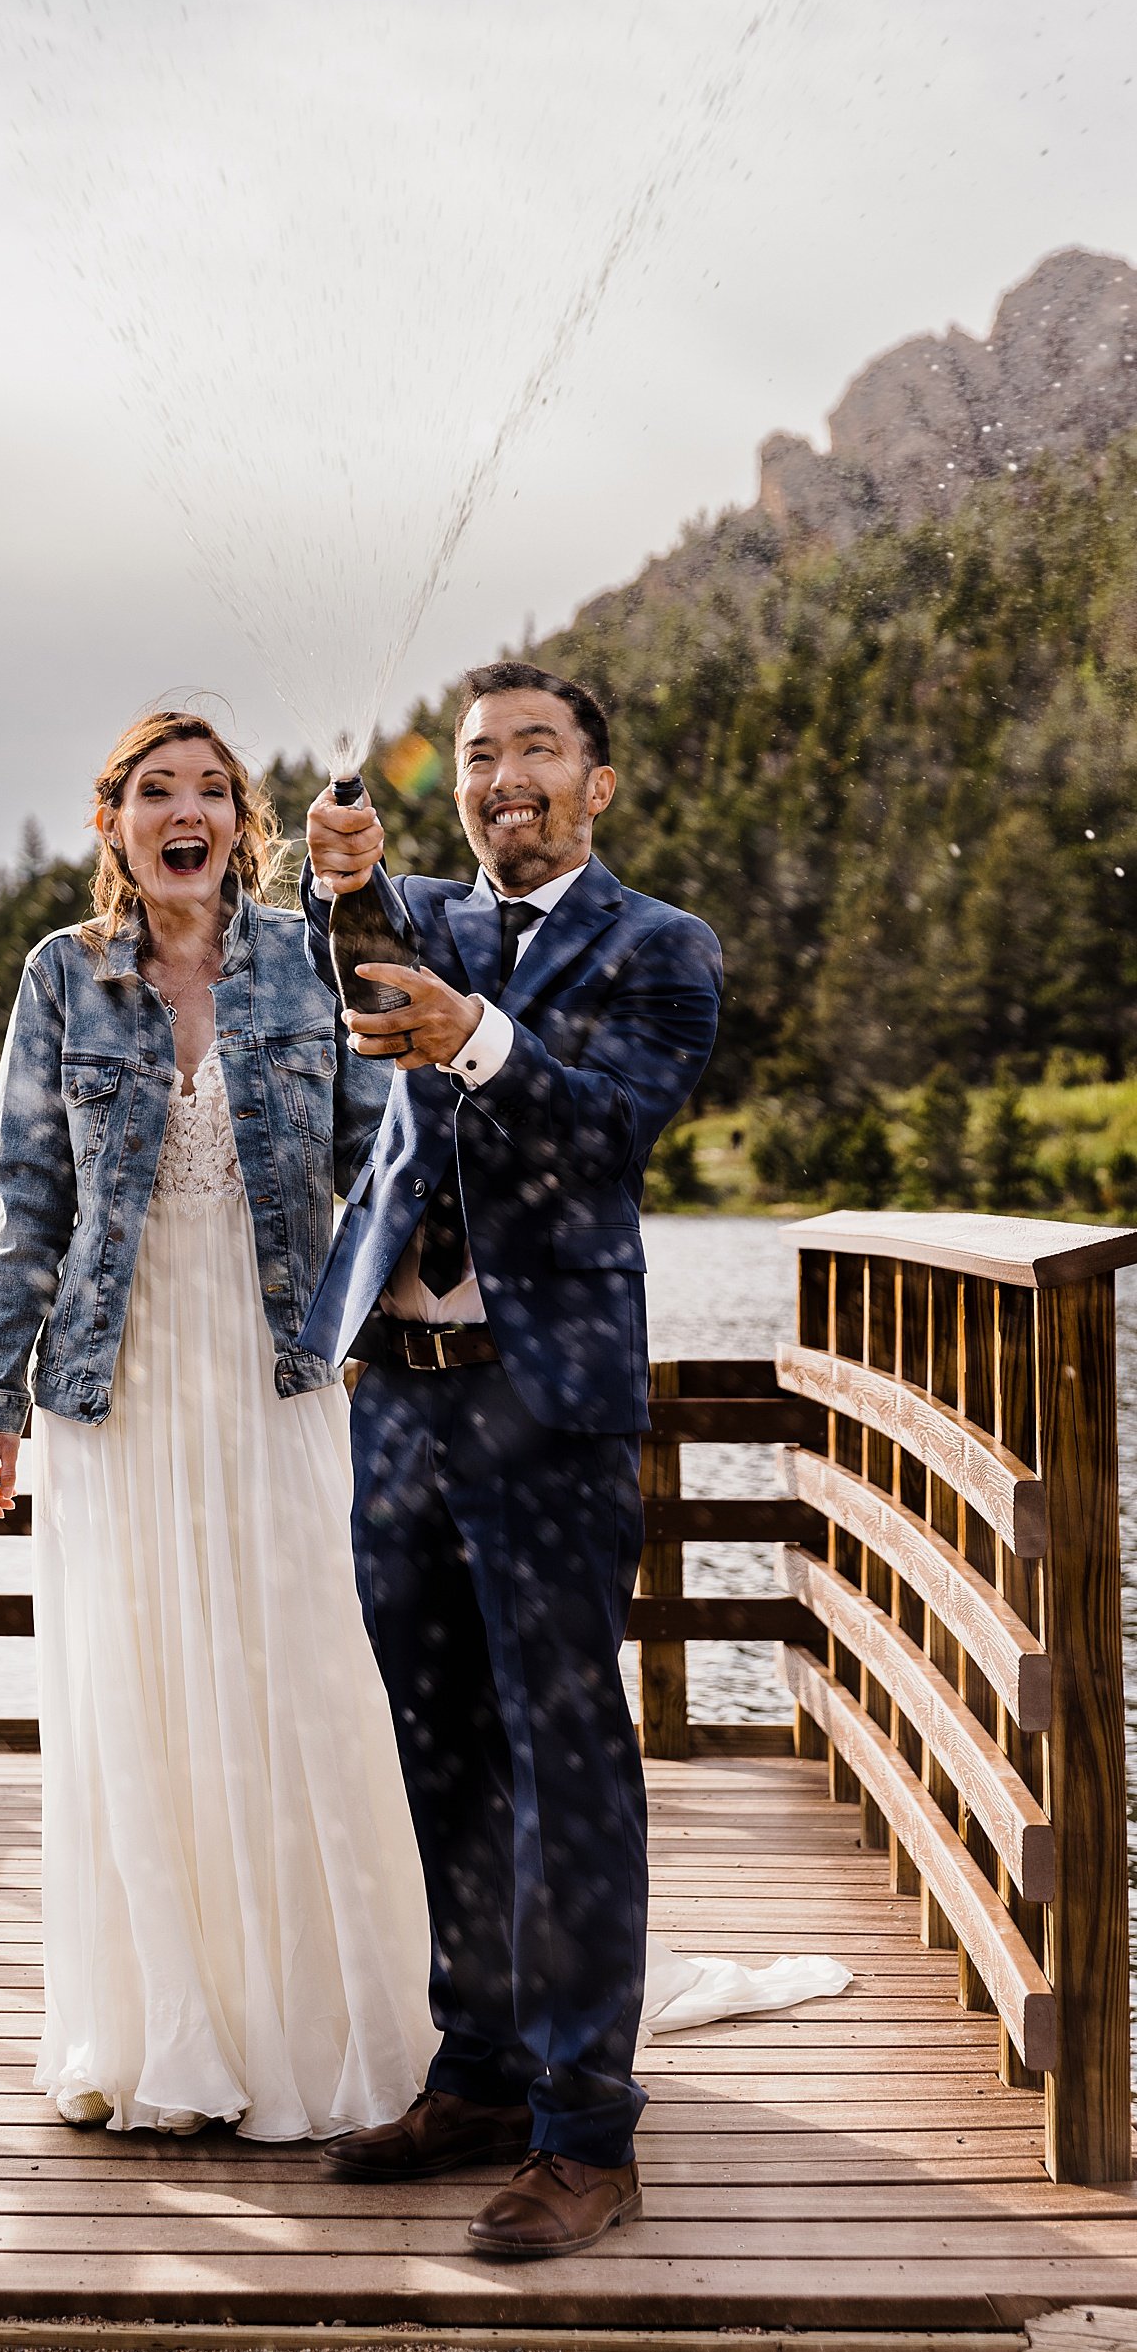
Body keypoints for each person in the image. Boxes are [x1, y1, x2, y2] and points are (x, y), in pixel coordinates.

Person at [301, 660, 723, 2263]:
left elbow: (609, 1133)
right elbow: (358, 962)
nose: (506, 778)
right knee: (442, 1747)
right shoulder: (424, 918)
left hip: (547, 1407)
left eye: (539, 751)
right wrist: (344, 875)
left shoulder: (663, 946)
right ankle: (474, 2075)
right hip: (399, 1395)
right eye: (481, 757)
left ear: (596, 784)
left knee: (567, 1764)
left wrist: (481, 1039)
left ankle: (585, 2131)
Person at [0, 707, 435, 2141]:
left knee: (296, 1666)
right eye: (156, 791)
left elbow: (387, 1156)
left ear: (246, 821)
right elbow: (29, 1200)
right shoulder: (65, 974)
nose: (189, 812)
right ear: (114, 824)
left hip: (277, 1378)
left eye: (213, 791)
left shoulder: (306, 958)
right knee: (139, 1684)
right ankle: (165, 2028)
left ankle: (320, 2019)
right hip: (112, 1391)